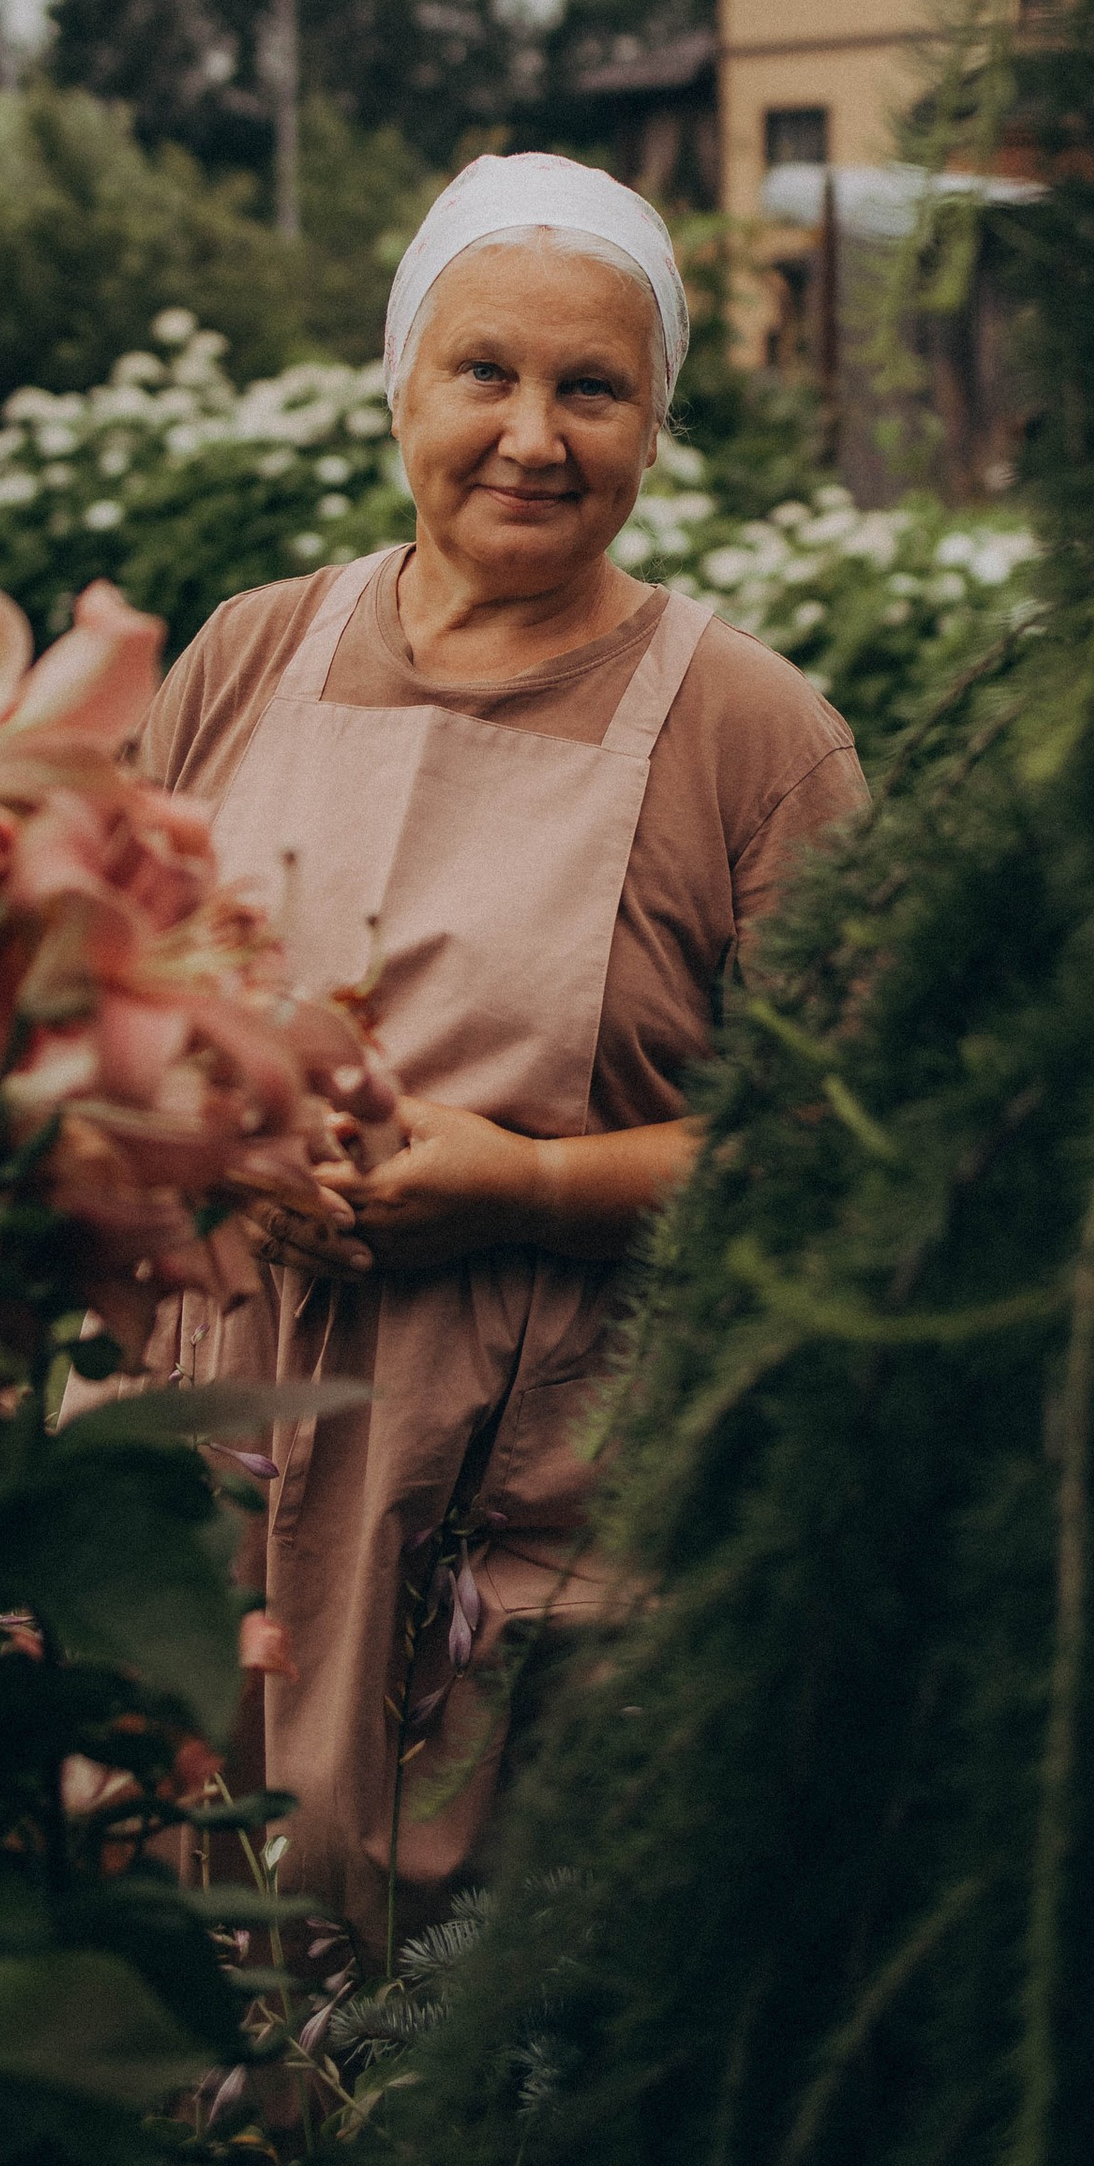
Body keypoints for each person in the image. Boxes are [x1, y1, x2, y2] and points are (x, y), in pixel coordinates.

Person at [137, 150, 866, 1956]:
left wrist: (528, 1183)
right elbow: (102, 1011)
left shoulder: (751, 736)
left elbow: (846, 1140)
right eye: (487, 373)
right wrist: (226, 1143)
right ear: (403, 383)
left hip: (526, 1475)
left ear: (654, 425)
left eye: (591, 388)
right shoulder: (246, 657)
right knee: (161, 1929)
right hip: (215, 1410)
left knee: (463, 2031)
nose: (533, 436)